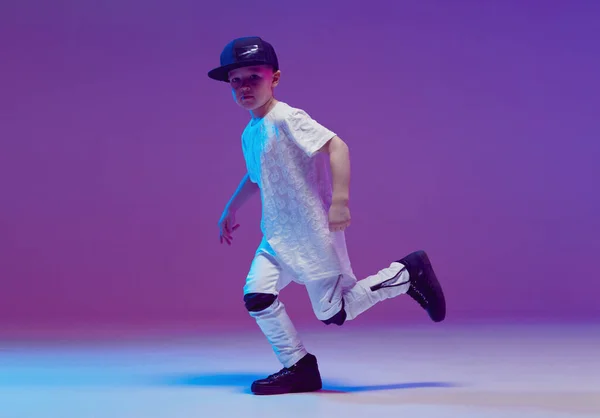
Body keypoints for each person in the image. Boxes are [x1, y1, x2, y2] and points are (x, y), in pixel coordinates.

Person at [208, 36, 446, 395]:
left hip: (310, 232)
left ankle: (406, 272)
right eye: (236, 80)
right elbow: (257, 175)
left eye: (253, 77)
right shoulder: (250, 131)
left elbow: (337, 145)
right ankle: (299, 366)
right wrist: (231, 207)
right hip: (276, 235)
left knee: (334, 313)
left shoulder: (287, 117)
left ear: (274, 78)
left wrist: (340, 201)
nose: (244, 86)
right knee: (257, 295)